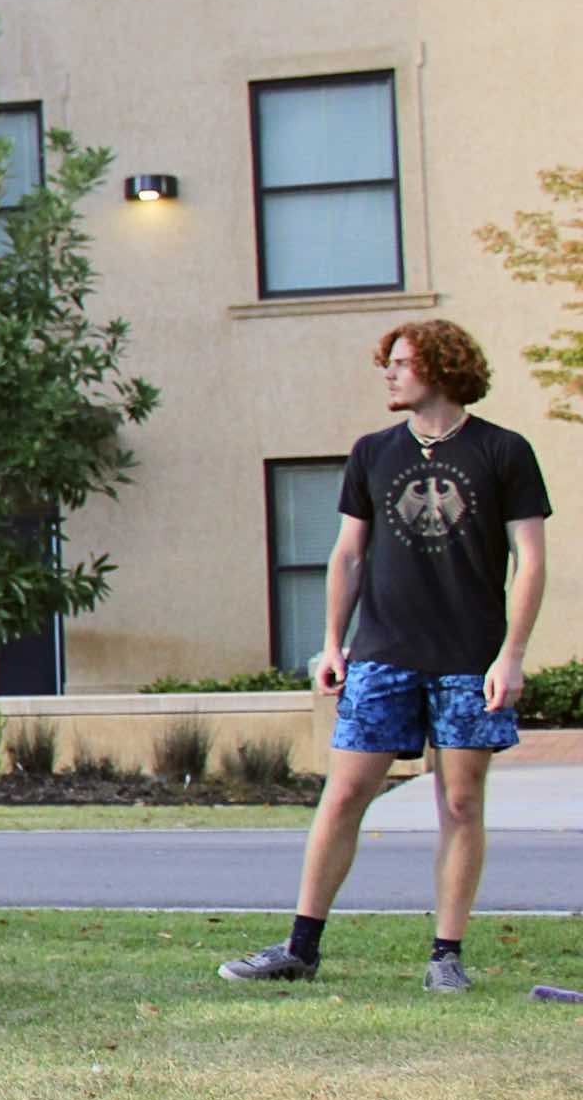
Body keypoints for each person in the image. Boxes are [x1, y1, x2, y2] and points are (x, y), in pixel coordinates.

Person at [223, 321, 549, 993]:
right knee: (343, 795)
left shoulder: (505, 451)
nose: (389, 374)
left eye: (402, 363)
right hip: (382, 655)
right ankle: (300, 948)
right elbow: (346, 554)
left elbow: (532, 561)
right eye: (389, 363)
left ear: (442, 367)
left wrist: (510, 655)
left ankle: (445, 956)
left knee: (460, 803)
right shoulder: (373, 452)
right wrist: (333, 643)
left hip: (468, 658)